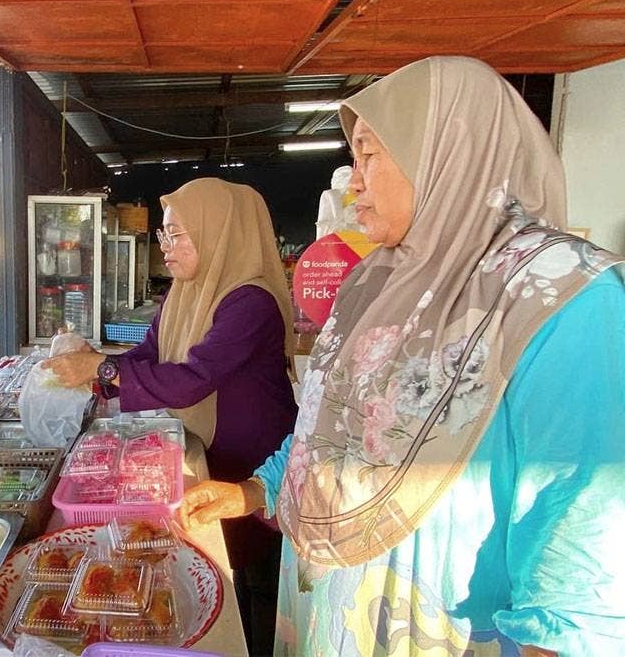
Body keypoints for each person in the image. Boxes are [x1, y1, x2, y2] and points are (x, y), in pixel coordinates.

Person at [179, 56, 625, 656]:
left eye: (370, 154)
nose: (354, 179)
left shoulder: (561, 295)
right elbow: (326, 421)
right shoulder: (375, 282)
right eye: (353, 155)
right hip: (322, 609)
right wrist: (255, 491)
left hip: (434, 628)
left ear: (447, 153)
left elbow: (584, 502)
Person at [45, 178, 297, 654]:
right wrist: (96, 370)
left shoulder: (251, 301)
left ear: (216, 231)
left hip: (253, 458)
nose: (166, 247)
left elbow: (192, 378)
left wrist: (101, 368)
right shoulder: (183, 292)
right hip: (209, 451)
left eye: (176, 234)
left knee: (253, 571)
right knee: (223, 557)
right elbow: (149, 355)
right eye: (163, 235)